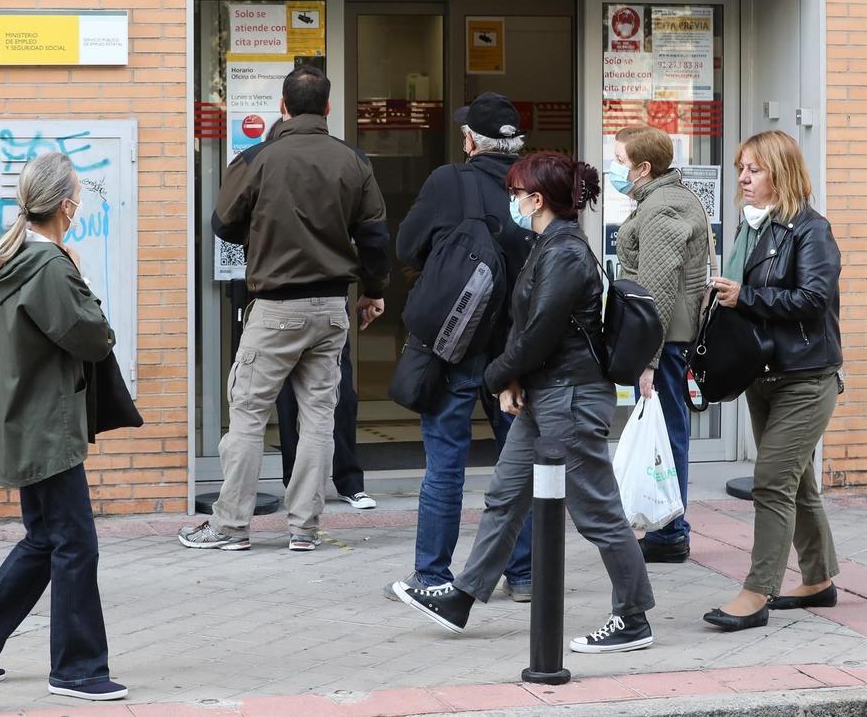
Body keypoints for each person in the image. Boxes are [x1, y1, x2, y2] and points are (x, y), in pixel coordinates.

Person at [393, 152, 656, 654]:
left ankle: (633, 616)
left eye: (516, 193)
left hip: (571, 398)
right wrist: (513, 381)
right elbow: (530, 329)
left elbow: (539, 333)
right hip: (547, 394)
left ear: (537, 200)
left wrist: (496, 376)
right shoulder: (548, 243)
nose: (511, 200)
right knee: (505, 496)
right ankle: (463, 598)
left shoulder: (565, 252)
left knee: (598, 513)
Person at [179, 64, 390, 551]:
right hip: (332, 307)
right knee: (320, 418)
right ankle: (305, 529)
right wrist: (373, 289)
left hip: (275, 306)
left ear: (282, 107)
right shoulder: (353, 162)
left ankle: (230, 527)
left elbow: (223, 223)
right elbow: (375, 236)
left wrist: (264, 233)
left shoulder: (256, 159)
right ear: (329, 108)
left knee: (250, 413)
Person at [0, 152, 127, 701]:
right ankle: (78, 669)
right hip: (46, 424)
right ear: (66, 205)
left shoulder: (9, 259)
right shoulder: (51, 266)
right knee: (76, 544)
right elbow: (94, 336)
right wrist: (77, 273)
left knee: (46, 538)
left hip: (21, 417)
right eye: (78, 199)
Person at [389, 93, 535, 602]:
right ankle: (524, 574)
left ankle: (431, 576)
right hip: (516, 353)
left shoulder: (448, 181)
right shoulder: (536, 186)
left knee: (445, 462)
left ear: (471, 139)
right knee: (517, 462)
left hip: (454, 344)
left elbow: (406, 246)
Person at [703, 131, 842, 632]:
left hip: (805, 377)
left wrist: (745, 297)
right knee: (797, 482)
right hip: (761, 375)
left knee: (771, 483)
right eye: (741, 167)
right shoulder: (751, 230)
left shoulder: (810, 230)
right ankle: (820, 579)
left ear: (780, 173)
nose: (742, 177)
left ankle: (758, 590)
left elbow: (812, 300)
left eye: (754, 169)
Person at [610, 123, 711, 563]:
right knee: (667, 434)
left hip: (666, 342)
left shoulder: (662, 208)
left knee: (665, 436)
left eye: (620, 162)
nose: (615, 169)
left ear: (643, 167)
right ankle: (667, 527)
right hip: (669, 340)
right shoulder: (665, 198)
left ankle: (669, 533)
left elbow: (657, 287)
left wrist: (646, 358)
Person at [276, 329, 376, 509]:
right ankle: (295, 485)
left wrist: (372, 298)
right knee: (287, 402)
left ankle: (350, 483)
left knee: (343, 399)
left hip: (331, 315)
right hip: (286, 315)